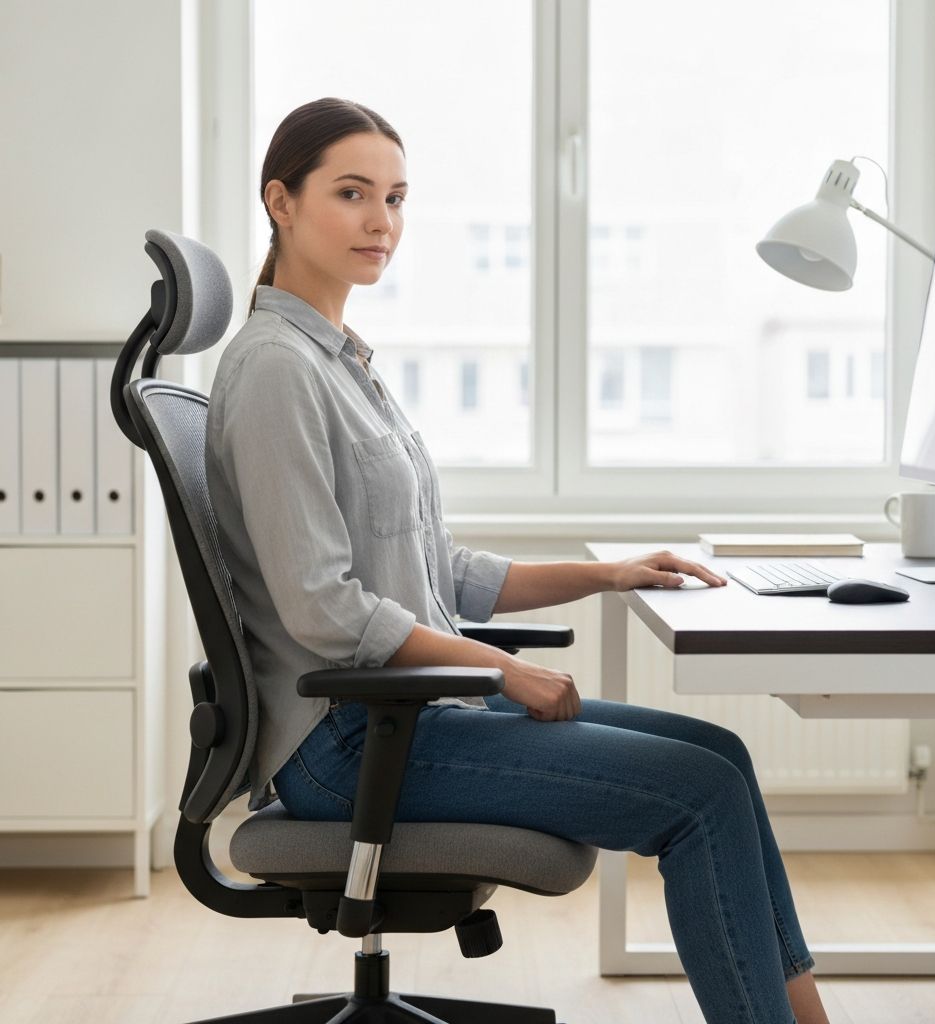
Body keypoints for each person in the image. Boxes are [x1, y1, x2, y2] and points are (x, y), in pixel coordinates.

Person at [205, 97, 830, 1024]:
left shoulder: (339, 364)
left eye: (397, 197)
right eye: (352, 193)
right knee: (695, 796)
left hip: (411, 716)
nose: (383, 222)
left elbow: (436, 569)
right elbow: (324, 611)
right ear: (282, 201)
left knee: (720, 755)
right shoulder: (276, 373)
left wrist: (608, 573)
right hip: (346, 745)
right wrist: (508, 671)